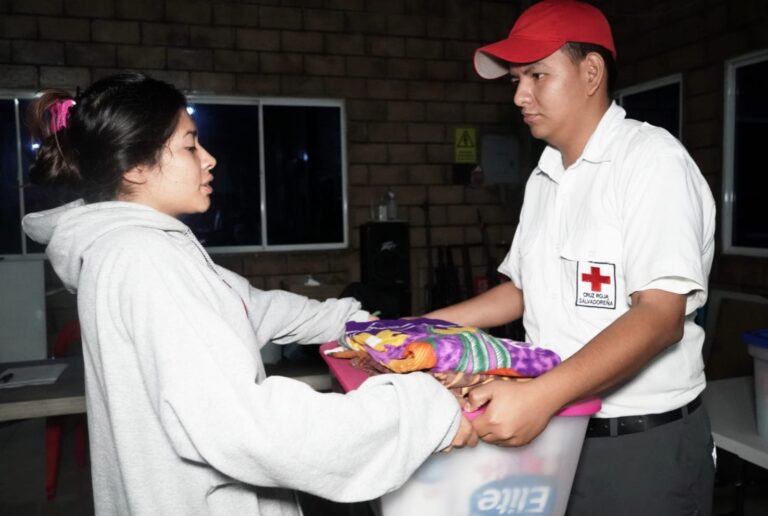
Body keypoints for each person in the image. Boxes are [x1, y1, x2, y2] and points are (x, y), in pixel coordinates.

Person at [22, 73, 477, 516]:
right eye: (189, 144)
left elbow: (252, 307)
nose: (209, 157)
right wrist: (422, 408)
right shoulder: (144, 259)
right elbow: (252, 429)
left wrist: (359, 323)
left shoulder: (145, 248)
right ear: (136, 167)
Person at [426, 1, 717, 514]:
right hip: (560, 432)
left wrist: (541, 397)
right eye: (517, 79)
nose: (520, 95)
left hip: (638, 446)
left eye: (537, 75)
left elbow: (659, 316)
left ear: (590, 73)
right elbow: (521, 290)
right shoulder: (546, 175)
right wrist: (422, 329)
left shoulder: (650, 161)